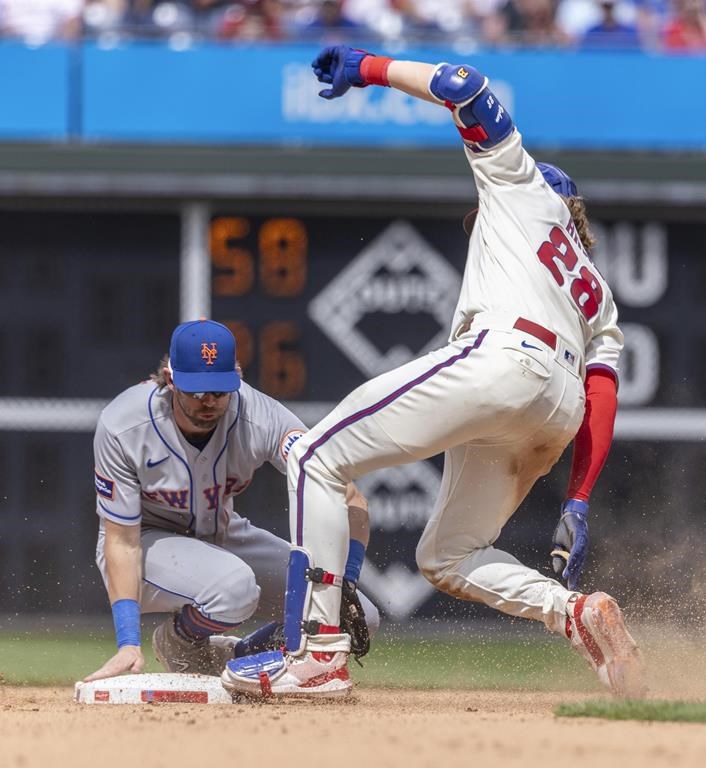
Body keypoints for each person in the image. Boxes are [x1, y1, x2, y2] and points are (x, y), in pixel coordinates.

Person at [221, 46, 646, 700]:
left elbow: (464, 84)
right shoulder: (594, 289)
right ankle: (576, 614)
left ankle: (317, 654)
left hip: (506, 359)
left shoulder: (517, 184)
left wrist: (364, 67)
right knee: (446, 555)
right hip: (555, 407)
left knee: (313, 458)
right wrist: (579, 498)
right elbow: (602, 391)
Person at [85, 318, 378, 682]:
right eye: (196, 391)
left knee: (354, 616)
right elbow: (121, 541)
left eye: (219, 390)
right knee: (234, 588)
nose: (208, 401)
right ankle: (180, 642)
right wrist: (127, 643)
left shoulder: (259, 415)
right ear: (170, 378)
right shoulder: (124, 424)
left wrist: (345, 583)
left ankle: (243, 656)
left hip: (219, 533)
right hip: (144, 543)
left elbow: (349, 498)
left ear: (237, 376)